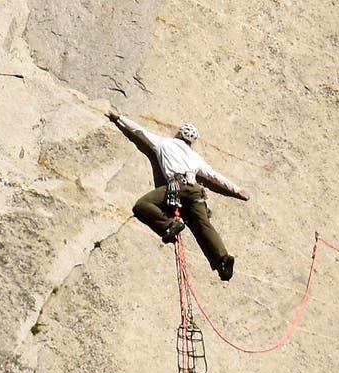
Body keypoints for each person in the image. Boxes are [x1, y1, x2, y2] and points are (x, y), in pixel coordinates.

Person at [107, 109, 250, 281]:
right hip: (195, 190)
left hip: (176, 187)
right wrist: (237, 190)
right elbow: (214, 176)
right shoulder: (195, 157)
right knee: (203, 224)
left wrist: (119, 118)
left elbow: (139, 131)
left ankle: (169, 225)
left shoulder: (163, 143)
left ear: (180, 133)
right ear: (191, 142)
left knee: (142, 204)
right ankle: (224, 259)